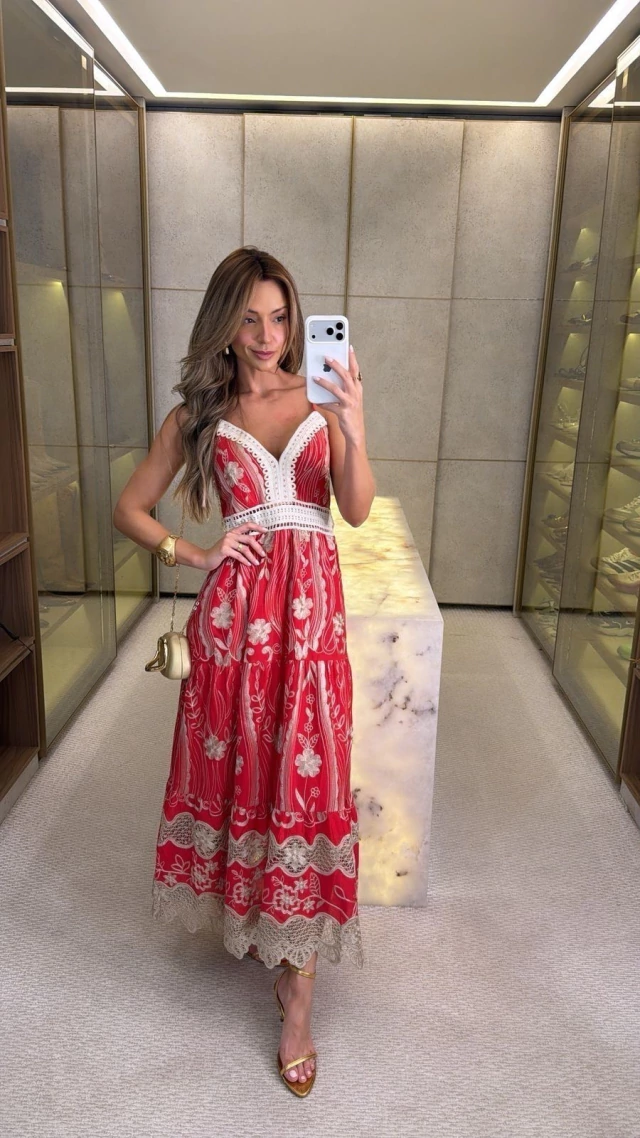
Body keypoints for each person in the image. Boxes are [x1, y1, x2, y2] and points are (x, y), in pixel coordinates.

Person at [113, 246, 376, 1097]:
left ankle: (298, 1001)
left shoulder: (323, 395)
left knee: (309, 780)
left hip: (314, 626)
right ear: (225, 326)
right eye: (251, 319)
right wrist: (192, 552)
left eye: (281, 316)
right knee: (249, 775)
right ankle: (267, 935)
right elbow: (129, 507)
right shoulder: (201, 413)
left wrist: (354, 423)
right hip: (236, 624)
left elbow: (357, 509)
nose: (268, 336)